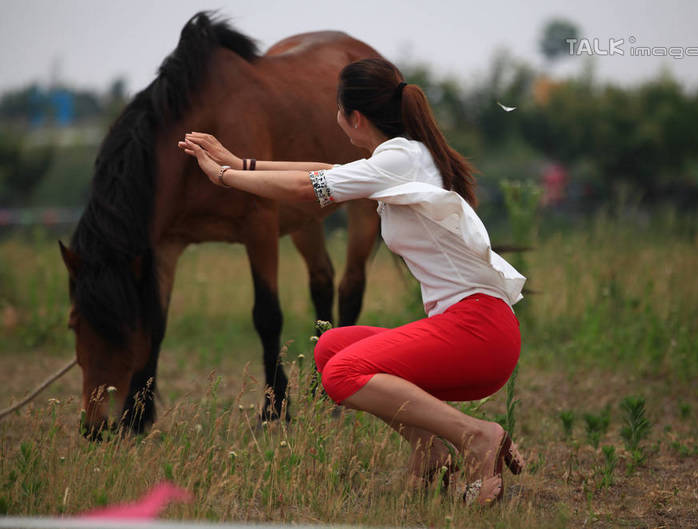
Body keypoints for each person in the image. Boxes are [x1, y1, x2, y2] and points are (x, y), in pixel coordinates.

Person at [178, 58, 525, 505]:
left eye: (338, 113)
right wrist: (241, 161)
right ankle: (430, 451)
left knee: (342, 375)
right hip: (476, 329)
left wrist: (226, 178)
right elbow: (324, 170)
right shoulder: (404, 156)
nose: (338, 123)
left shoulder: (401, 158)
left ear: (353, 117)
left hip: (477, 333)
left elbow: (311, 187)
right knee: (331, 348)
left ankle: (477, 436)